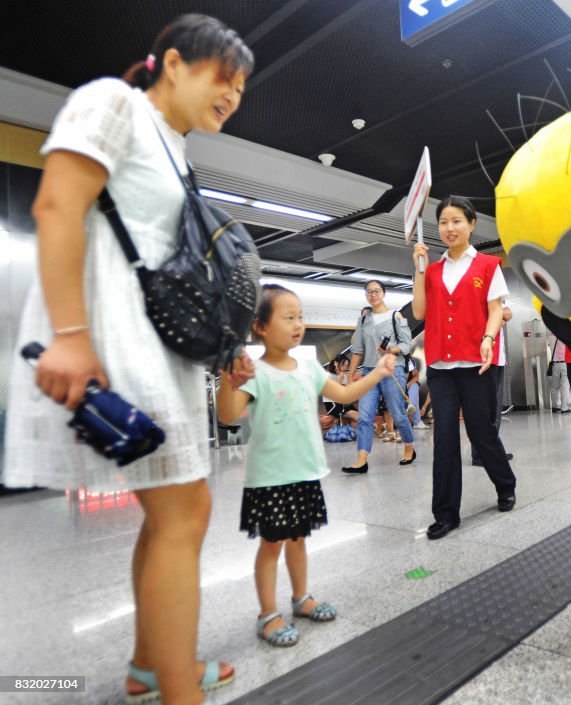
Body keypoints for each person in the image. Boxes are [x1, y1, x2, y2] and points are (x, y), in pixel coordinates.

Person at [0, 15, 251, 705]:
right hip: (109, 334)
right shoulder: (114, 102)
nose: (232, 94)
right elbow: (56, 205)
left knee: (177, 510)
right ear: (173, 62)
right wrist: (71, 335)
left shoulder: (175, 145)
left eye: (241, 87)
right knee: (183, 510)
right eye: (222, 76)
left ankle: (152, 665)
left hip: (152, 342)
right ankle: (176, 688)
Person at [217, 285, 395, 649]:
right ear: (260, 327)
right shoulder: (255, 372)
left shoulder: (309, 367)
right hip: (269, 478)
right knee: (271, 545)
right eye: (288, 317)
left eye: (300, 316)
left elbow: (343, 395)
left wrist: (377, 374)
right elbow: (229, 415)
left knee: (298, 539)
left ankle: (300, 598)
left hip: (304, 472)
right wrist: (226, 380)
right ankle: (267, 614)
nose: (298, 324)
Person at [411, 196, 517, 540]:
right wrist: (419, 270)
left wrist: (488, 338)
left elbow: (495, 310)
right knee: (444, 438)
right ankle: (445, 513)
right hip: (441, 366)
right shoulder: (434, 269)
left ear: (471, 224)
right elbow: (419, 313)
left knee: (482, 431)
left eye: (456, 221)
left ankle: (505, 484)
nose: (449, 228)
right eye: (443, 222)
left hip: (476, 364)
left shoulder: (488, 265)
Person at [342, 280, 416, 472]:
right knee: (365, 417)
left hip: (392, 370)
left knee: (398, 414)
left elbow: (407, 344)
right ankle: (361, 459)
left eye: (376, 291)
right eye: (369, 292)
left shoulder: (395, 316)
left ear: (383, 293)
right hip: (369, 372)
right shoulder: (364, 321)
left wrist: (392, 349)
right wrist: (350, 377)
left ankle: (409, 446)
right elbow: (357, 350)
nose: (373, 295)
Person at [471, 302, 515, 466]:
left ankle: (491, 450)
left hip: (498, 359)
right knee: (485, 410)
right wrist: (498, 316)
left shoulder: (499, 299)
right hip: (485, 359)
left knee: (495, 410)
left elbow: (508, 315)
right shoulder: (482, 295)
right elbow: (495, 318)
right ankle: (481, 454)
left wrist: (499, 315)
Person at [546, 332, 571, 413]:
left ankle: (554, 406)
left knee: (554, 386)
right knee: (565, 386)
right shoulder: (564, 334)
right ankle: (564, 407)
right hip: (564, 363)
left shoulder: (549, 334)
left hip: (554, 364)